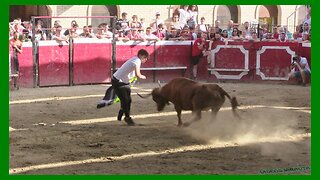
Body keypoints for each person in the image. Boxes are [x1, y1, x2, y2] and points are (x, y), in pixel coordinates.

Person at [109, 49, 149, 125]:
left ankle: (123, 110)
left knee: (128, 100)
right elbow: (138, 74)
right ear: (140, 55)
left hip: (121, 81)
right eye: (145, 57)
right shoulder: (137, 61)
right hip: (118, 81)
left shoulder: (134, 59)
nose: (145, 59)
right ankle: (127, 118)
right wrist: (142, 76)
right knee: (126, 100)